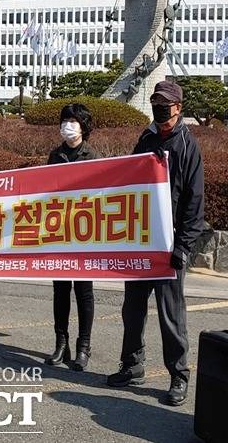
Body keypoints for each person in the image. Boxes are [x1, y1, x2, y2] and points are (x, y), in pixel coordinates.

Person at [107, 81, 204, 407]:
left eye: (165, 103)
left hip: (170, 247)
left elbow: (194, 202)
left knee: (171, 315)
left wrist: (183, 247)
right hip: (141, 241)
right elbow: (130, 181)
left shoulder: (188, 146)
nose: (159, 107)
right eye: (155, 101)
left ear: (178, 107)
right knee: (132, 309)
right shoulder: (147, 139)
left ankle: (178, 376)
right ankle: (132, 366)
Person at [45, 103, 99, 371]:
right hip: (59, 232)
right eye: (65, 120)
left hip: (84, 234)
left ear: (84, 126)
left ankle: (83, 347)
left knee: (84, 291)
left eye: (74, 121)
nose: (68, 125)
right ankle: (61, 343)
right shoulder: (55, 155)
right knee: (60, 290)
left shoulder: (92, 156)